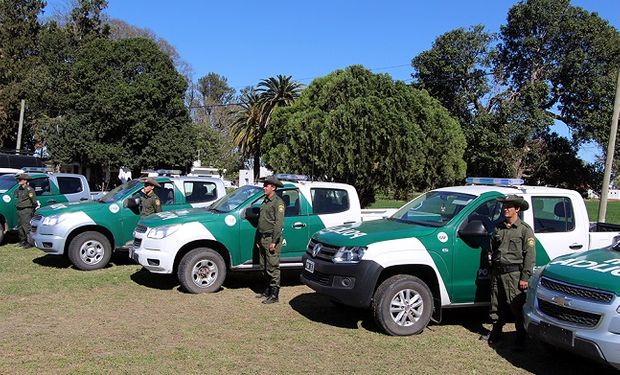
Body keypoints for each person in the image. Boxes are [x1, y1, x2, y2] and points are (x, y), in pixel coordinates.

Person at [481, 195, 536, 350]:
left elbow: (530, 256)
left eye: (509, 207)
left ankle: (520, 337)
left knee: (516, 306)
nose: (505, 209)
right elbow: (493, 251)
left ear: (517, 209)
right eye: (504, 207)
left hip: (514, 274)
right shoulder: (498, 228)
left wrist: (525, 277)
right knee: (496, 304)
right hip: (498, 272)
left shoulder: (525, 230)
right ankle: (496, 332)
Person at [255, 175, 285, 304]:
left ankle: (274, 295)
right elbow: (261, 221)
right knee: (263, 267)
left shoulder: (278, 203)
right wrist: (257, 239)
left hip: (271, 239)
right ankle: (267, 290)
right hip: (262, 238)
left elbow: (278, 224)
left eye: (266, 185)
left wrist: (274, 241)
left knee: (272, 267)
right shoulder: (265, 201)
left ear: (273, 187)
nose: (264, 187)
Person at [14, 173, 38, 248]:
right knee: (20, 226)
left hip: (26, 209)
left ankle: (29, 243)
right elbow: (15, 195)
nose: (19, 181)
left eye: (20, 179)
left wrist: (33, 208)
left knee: (26, 226)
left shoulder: (29, 189)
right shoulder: (19, 189)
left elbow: (33, 200)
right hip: (20, 209)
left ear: (25, 180)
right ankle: (22, 241)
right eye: (19, 179)